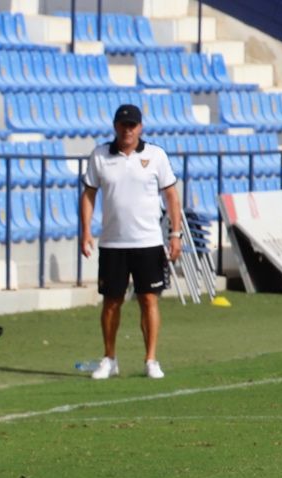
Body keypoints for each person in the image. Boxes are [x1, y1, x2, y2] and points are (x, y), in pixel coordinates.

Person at [79, 103, 182, 380]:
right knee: (111, 302)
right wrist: (86, 230)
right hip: (112, 242)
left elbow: (171, 195)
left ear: (140, 127)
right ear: (115, 126)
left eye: (132, 125)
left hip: (147, 241)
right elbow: (89, 194)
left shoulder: (156, 155)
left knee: (148, 299)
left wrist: (175, 234)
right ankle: (109, 358)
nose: (128, 130)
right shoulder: (100, 155)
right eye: (123, 125)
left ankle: (151, 359)